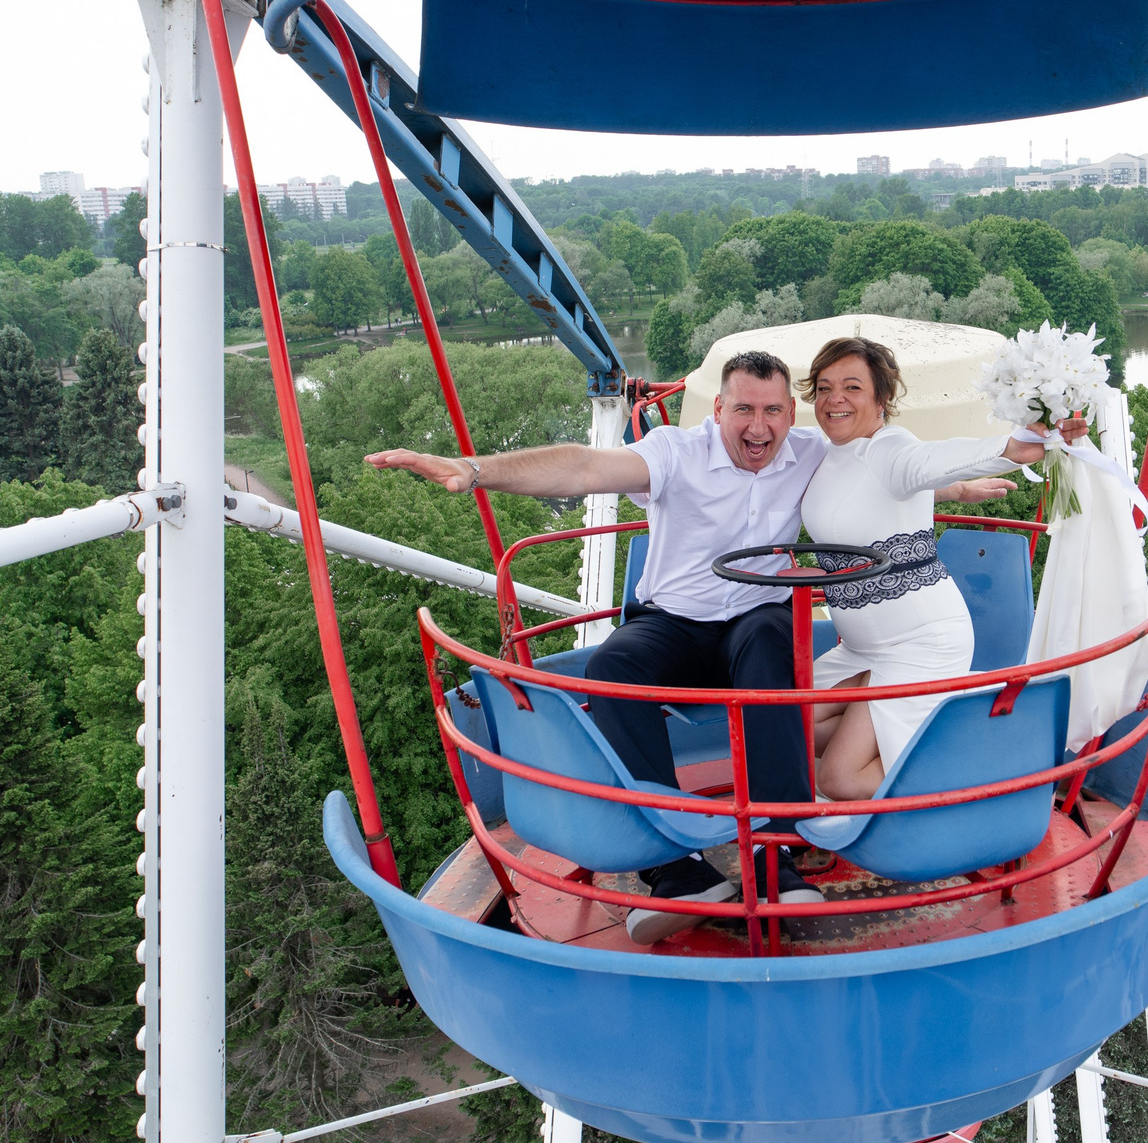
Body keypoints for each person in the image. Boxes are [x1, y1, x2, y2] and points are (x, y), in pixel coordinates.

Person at [364, 348, 1015, 942]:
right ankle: (675, 861)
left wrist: (958, 484)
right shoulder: (675, 452)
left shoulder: (812, 448)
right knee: (615, 664)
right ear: (719, 410)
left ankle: (774, 846)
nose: (757, 427)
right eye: (743, 410)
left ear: (791, 413)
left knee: (768, 645)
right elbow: (585, 463)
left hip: (753, 619)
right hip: (675, 619)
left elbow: (886, 466)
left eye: (771, 411)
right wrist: (476, 469)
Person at [799, 337, 1086, 801]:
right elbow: (873, 496)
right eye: (825, 386)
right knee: (789, 729)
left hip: (921, 643)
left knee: (838, 780)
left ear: (882, 399)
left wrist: (1010, 448)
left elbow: (923, 462)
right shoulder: (827, 450)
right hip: (860, 650)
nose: (835, 398)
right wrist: (950, 492)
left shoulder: (889, 446)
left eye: (852, 387)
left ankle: (986, 773)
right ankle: (922, 740)